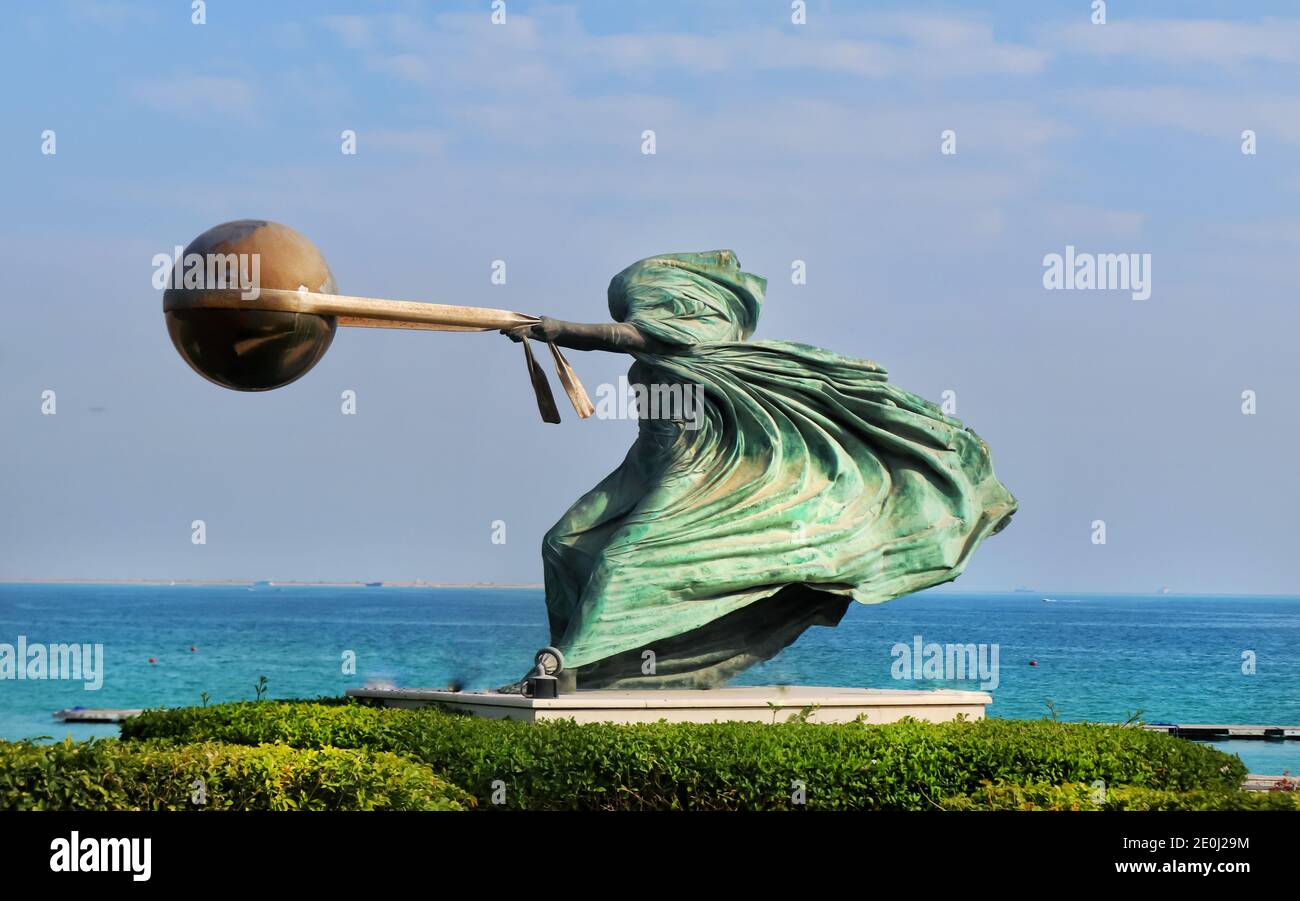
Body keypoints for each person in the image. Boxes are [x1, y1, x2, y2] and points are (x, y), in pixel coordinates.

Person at [503, 251, 1016, 689]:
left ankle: (564, 664)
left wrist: (556, 329)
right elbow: (635, 343)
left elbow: (626, 337)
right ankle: (583, 666)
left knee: (620, 562)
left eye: (657, 307)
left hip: (695, 473)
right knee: (562, 543)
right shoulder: (662, 357)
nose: (644, 316)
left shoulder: (695, 349)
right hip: (645, 466)